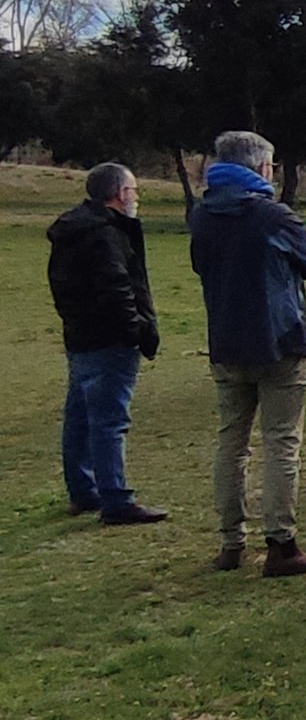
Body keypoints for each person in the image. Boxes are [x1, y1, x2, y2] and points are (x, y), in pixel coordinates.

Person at [189, 131, 306, 576]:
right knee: (281, 443)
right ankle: (281, 543)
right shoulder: (273, 216)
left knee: (231, 443)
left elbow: (200, 265)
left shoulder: (203, 213)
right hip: (279, 341)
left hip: (226, 342)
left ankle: (231, 542)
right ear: (262, 169)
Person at [47, 161, 166, 525]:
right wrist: (136, 330)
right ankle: (115, 497)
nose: (137, 197)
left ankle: (83, 490)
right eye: (133, 190)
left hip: (80, 335)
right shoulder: (106, 234)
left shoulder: (73, 230)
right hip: (110, 339)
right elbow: (118, 288)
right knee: (109, 420)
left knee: (80, 416)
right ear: (120, 194)